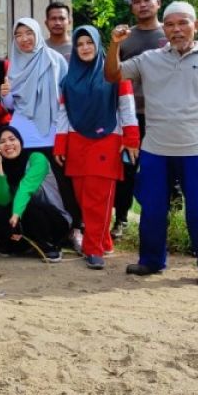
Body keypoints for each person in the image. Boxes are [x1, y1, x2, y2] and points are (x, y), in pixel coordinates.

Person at [107, 1, 198, 286]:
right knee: (151, 208)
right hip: (156, 149)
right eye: (171, 24)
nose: (177, 29)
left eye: (183, 23)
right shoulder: (149, 58)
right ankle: (151, 260)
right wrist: (114, 44)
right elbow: (113, 75)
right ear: (164, 28)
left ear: (196, 25)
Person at [54, 26, 140, 269]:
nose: (84, 48)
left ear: (98, 44)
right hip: (76, 142)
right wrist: (61, 144)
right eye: (80, 44)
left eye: (89, 43)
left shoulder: (115, 73)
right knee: (84, 198)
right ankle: (103, 240)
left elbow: (126, 106)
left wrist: (131, 138)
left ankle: (93, 249)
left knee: (98, 198)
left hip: (107, 140)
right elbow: (62, 113)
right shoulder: (69, 79)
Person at [0, 17, 78, 250]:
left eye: (28, 33)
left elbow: (66, 98)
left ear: (37, 33)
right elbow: (10, 105)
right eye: (19, 35)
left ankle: (73, 229)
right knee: (25, 186)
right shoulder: (13, 64)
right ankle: (30, 233)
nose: (24, 39)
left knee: (63, 185)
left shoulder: (55, 60)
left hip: (51, 132)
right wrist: (4, 95)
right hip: (22, 135)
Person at [113, 0, 167, 238]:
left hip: (165, 115)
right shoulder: (125, 38)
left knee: (166, 169)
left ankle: (169, 219)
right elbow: (112, 73)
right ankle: (121, 219)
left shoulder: (170, 34)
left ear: (158, 3)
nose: (143, 5)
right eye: (137, 1)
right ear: (132, 6)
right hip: (131, 116)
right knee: (126, 170)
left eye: (148, 0)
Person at [0, 126, 71, 261]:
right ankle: (20, 245)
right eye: (2, 141)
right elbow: (1, 200)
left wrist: (16, 213)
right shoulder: (0, 164)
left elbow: (26, 188)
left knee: (29, 205)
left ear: (20, 142)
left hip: (54, 219)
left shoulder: (37, 158)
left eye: (12, 139)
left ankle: (50, 245)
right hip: (22, 219)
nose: (8, 144)